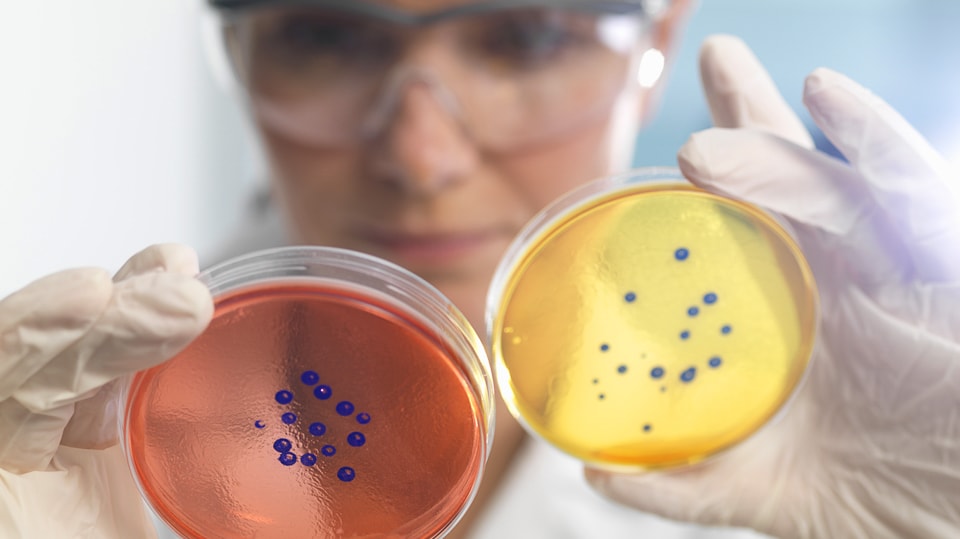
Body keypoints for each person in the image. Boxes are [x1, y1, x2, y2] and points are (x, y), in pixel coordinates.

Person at [1, 0, 958, 537]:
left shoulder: (812, 461)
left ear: (658, 38)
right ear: (238, 48)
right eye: (327, 37)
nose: (422, 156)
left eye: (528, 35)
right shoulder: (52, 451)